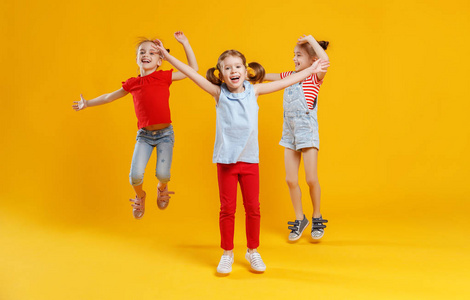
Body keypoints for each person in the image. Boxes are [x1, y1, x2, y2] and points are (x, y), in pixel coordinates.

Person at [155, 41, 329, 274]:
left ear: (246, 71)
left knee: (253, 208)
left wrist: (312, 69)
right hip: (226, 162)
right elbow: (190, 72)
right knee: (227, 209)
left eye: (238, 66)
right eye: (228, 68)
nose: (234, 71)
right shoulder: (218, 93)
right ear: (221, 73)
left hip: (250, 161)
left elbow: (289, 80)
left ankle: (252, 251)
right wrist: (169, 55)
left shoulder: (254, 90)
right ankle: (227, 253)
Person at [72, 32, 198, 219]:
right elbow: (109, 97)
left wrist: (185, 43)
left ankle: (162, 188)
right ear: (137, 58)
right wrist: (87, 103)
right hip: (144, 136)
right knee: (134, 177)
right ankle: (141, 196)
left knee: (163, 175)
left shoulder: (164, 77)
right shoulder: (132, 83)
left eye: (152, 53)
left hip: (165, 134)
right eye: (142, 52)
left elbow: (193, 70)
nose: (146, 55)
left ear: (160, 60)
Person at [264, 34, 330, 241]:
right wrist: (252, 73)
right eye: (293, 55)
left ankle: (317, 216)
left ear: (312, 60)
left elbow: (325, 61)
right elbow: (270, 77)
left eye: (299, 55)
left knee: (311, 178)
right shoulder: (291, 75)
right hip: (289, 133)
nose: (294, 58)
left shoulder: (314, 76)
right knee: (291, 179)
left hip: (306, 132)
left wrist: (310, 40)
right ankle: (300, 219)